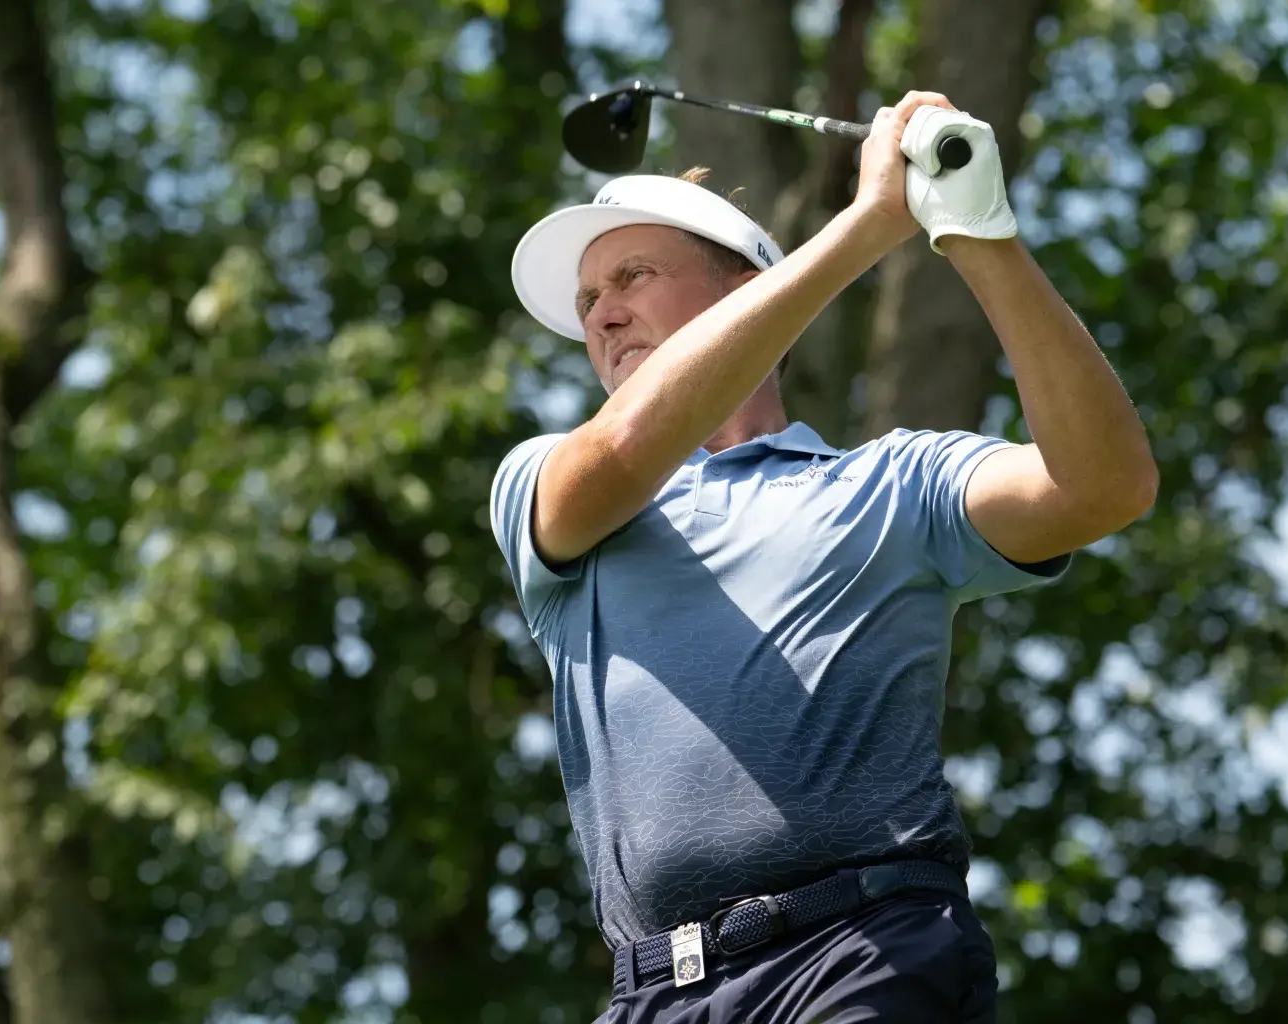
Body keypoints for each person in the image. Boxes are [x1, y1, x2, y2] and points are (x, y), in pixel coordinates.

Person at [487, 91, 1158, 1022]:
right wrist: (868, 223)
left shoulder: (893, 485)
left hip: (861, 955)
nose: (600, 317)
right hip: (651, 996)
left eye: (632, 276)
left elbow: (1105, 487)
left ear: (741, 291)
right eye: (589, 299)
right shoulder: (545, 484)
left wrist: (980, 236)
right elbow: (619, 454)